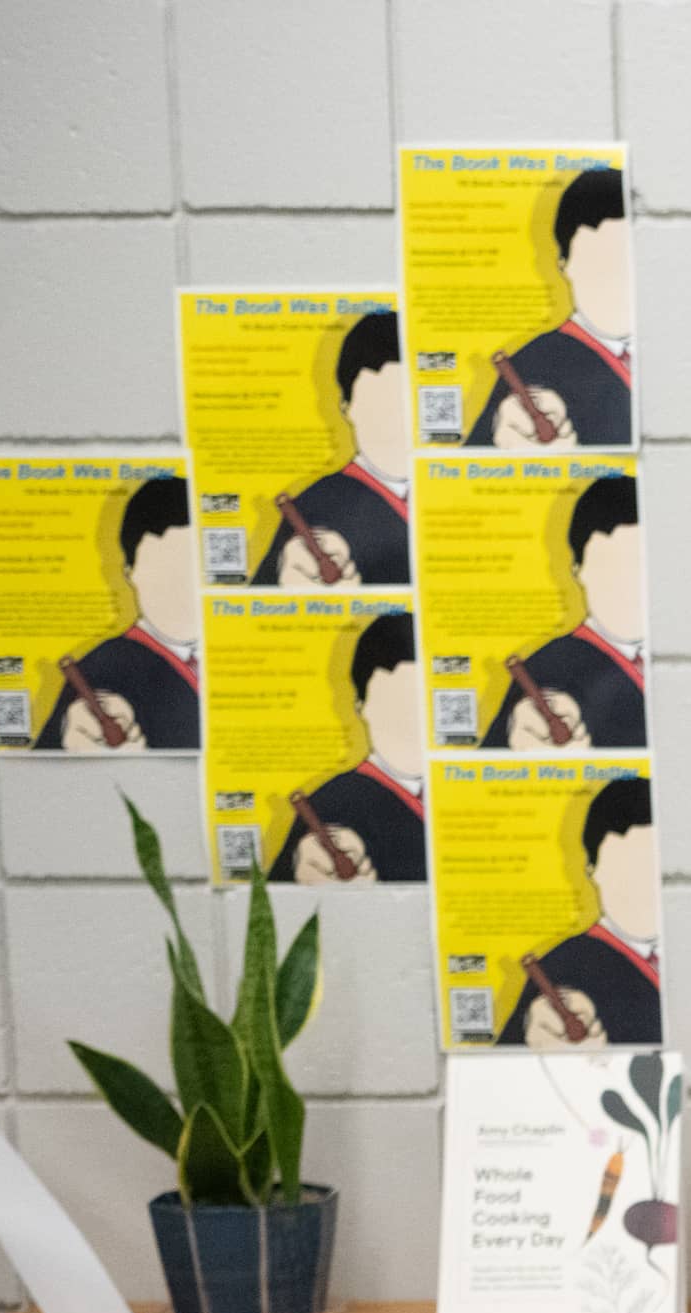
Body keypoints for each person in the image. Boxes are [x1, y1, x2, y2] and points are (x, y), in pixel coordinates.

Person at [468, 161, 634, 448]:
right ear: (564, 267)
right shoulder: (534, 364)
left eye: (629, 264)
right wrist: (502, 448)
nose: (619, 284)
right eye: (598, 264)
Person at [34, 474, 202, 752]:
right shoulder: (103, 668)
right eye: (162, 574)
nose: (182, 592)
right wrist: (71, 735)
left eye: (194, 573)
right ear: (130, 575)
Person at [250, 306, 415, 587]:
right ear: (347, 409)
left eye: (411, 408)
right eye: (380, 407)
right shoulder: (316, 507)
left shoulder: (457, 491)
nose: (399, 426)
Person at [480, 474, 644, 751]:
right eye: (610, 570)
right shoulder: (552, 669)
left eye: (642, 570)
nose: (630, 588)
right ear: (578, 572)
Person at [497, 775, 659, 1045]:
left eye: (656, 871)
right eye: (627, 870)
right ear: (592, 872)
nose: (645, 887)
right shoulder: (562, 969)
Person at [271, 610, 428, 884]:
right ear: (360, 708)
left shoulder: (469, 787)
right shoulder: (333, 804)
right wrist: (304, 867)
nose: (413, 724)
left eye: (425, 706)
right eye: (395, 707)